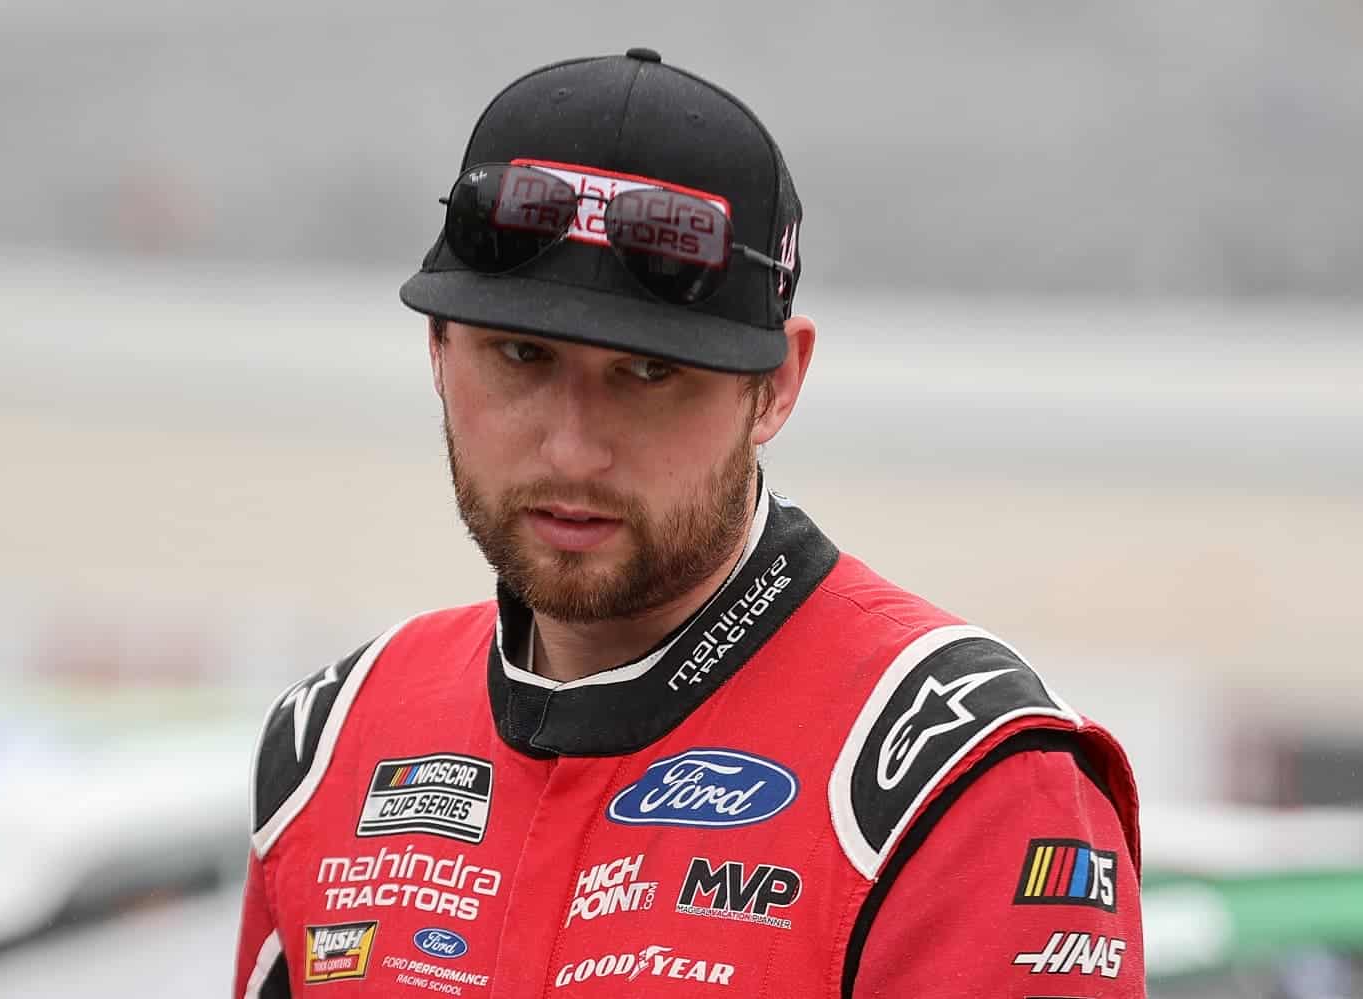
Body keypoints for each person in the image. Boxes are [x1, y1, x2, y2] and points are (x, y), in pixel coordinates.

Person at [233, 48, 1144, 998]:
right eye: (520, 354)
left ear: (778, 386)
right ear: (437, 349)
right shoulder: (332, 741)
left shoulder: (958, 784)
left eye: (650, 372)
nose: (573, 450)